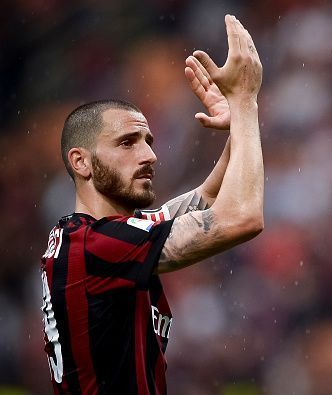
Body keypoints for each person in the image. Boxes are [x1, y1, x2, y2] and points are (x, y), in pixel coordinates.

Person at [39, 15, 263, 394]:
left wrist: (234, 124)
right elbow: (240, 218)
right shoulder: (95, 245)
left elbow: (206, 199)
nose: (149, 156)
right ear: (81, 162)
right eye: (127, 143)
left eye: (149, 142)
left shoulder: (98, 237)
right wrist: (245, 103)